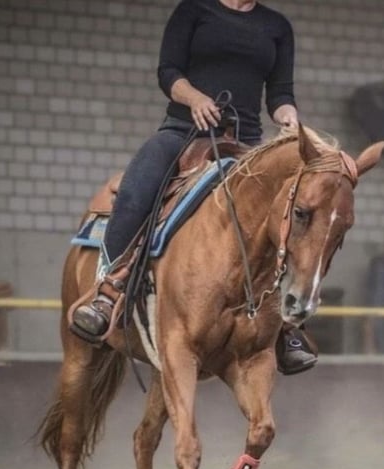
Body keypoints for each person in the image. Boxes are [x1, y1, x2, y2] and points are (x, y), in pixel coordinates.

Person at [71, 0, 317, 374]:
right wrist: (195, 98)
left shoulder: (277, 26)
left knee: (287, 217)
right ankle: (108, 293)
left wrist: (289, 118)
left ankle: (285, 326)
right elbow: (168, 71)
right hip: (183, 132)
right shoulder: (195, 10)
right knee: (137, 190)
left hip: (247, 142)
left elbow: (280, 94)